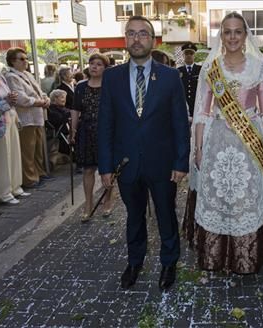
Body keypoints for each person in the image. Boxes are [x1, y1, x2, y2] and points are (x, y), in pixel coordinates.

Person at [183, 12, 263, 275]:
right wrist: (199, 147)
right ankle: (218, 255)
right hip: (218, 140)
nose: (232, 37)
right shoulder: (211, 68)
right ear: (221, 36)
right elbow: (203, 113)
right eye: (227, 32)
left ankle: (248, 252)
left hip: (250, 142)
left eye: (238, 31)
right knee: (220, 192)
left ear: (245, 35)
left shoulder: (259, 67)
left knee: (246, 194)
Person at [98, 15, 190, 290]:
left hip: (162, 163)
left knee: (166, 214)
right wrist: (105, 167)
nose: (136, 39)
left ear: (152, 40)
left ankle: (169, 261)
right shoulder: (112, 77)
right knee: (134, 217)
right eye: (131, 34)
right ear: (125, 39)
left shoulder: (170, 77)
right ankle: (135, 262)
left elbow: (179, 123)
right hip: (126, 164)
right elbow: (106, 124)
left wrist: (181, 161)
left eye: (143, 34)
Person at [70, 53, 113, 221]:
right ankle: (88, 205)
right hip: (86, 131)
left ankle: (108, 200)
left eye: (99, 64)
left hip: (106, 132)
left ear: (105, 68)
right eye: (92, 63)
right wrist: (73, 130)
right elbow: (75, 109)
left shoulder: (110, 86)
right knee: (88, 170)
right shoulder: (80, 86)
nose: (94, 66)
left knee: (107, 170)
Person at [0, 45, 30, 204]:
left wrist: (14, 113)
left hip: (10, 119)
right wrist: (5, 104)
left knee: (14, 155)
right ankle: (4, 193)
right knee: (2, 160)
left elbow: (10, 99)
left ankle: (16, 187)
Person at [4, 47, 51, 189]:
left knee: (38, 148)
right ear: (13, 61)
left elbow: (39, 90)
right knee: (27, 150)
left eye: (26, 59)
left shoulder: (27, 75)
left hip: (37, 117)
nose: (26, 62)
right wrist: (40, 102)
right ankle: (30, 179)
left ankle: (39, 173)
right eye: (22, 59)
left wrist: (46, 98)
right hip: (26, 118)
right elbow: (20, 98)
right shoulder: (11, 77)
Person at [178, 42, 202, 118]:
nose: (188, 55)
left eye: (191, 53)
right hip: (183, 107)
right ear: (183, 55)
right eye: (186, 53)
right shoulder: (178, 71)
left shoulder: (200, 70)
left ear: (194, 55)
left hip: (197, 106)